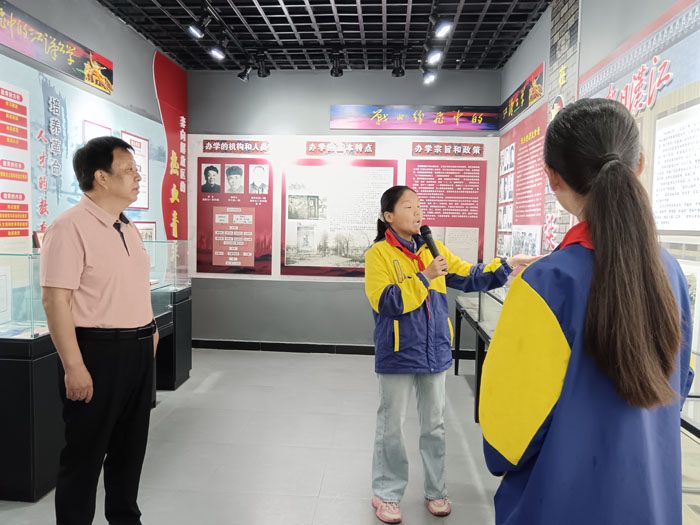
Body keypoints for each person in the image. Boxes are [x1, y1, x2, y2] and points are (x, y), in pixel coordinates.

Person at [479, 98, 694, 525]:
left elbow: (506, 440)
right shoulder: (669, 272)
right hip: (652, 506)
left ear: (553, 177)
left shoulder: (545, 284)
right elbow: (677, 384)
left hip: (557, 506)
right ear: (639, 164)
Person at [364, 185, 537, 524]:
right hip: (398, 353)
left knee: (435, 426)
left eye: (419, 206)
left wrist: (506, 265)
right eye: (409, 206)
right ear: (389, 217)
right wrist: (425, 277)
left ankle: (436, 491)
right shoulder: (378, 255)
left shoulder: (434, 248)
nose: (418, 212)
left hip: (434, 351)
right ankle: (387, 494)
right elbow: (387, 302)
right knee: (391, 427)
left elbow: (469, 276)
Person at [41, 136, 159, 525]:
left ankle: (125, 519)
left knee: (130, 450)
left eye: (136, 170)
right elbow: (55, 300)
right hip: (96, 353)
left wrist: (151, 331)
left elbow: (134, 285)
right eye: (128, 170)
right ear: (101, 177)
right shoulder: (69, 227)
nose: (137, 177)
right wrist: (73, 366)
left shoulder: (127, 226)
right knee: (85, 456)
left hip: (138, 351)